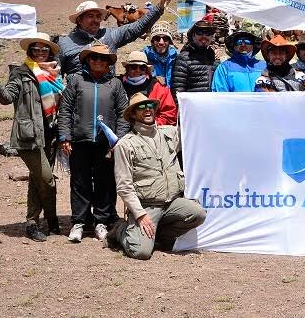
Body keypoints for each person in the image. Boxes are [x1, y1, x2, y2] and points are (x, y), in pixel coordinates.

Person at [0, 33, 63, 241]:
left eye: (44, 49)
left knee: (37, 180)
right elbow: (6, 98)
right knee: (47, 179)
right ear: (29, 52)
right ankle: (47, 219)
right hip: (29, 136)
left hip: (51, 136)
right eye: (35, 49)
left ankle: (36, 223)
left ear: (50, 52)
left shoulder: (56, 74)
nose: (40, 53)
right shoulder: (20, 73)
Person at [109, 93, 207, 260]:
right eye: (141, 107)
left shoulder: (169, 133)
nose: (147, 109)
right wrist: (140, 214)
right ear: (133, 114)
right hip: (147, 206)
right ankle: (120, 229)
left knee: (198, 214)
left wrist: (193, 106)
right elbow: (124, 186)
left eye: (150, 106)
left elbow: (194, 131)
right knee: (141, 252)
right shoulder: (125, 145)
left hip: (172, 202)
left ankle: (160, 236)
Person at [58, 44, 129, 243]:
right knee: (79, 183)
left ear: (108, 63)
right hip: (79, 141)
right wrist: (65, 136)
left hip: (106, 144)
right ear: (88, 60)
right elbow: (65, 110)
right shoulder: (76, 81)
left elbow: (123, 115)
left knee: (105, 182)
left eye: (103, 59)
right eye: (94, 57)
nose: (98, 61)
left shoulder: (115, 84)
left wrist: (118, 139)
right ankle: (79, 222)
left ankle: (101, 222)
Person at [57, 0, 170, 75]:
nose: (96, 20)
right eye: (90, 16)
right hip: (79, 100)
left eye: (98, 16)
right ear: (79, 20)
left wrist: (159, 7)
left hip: (109, 97)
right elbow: (55, 77)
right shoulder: (65, 43)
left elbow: (137, 27)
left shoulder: (109, 35)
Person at [119, 51, 177, 125]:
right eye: (133, 67)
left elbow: (169, 115)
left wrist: (151, 125)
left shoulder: (159, 86)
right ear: (127, 68)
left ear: (146, 70)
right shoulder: (118, 84)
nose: (138, 70)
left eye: (142, 68)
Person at [171, 19, 218, 102]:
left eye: (208, 33)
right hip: (192, 108)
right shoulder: (183, 58)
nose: (204, 36)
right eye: (200, 33)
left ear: (211, 37)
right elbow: (178, 89)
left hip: (211, 106)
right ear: (193, 36)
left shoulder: (214, 58)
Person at [143, 22, 178, 87]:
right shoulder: (143, 57)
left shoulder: (176, 57)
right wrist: (153, 79)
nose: (161, 42)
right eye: (157, 39)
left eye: (165, 39)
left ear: (169, 41)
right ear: (152, 41)